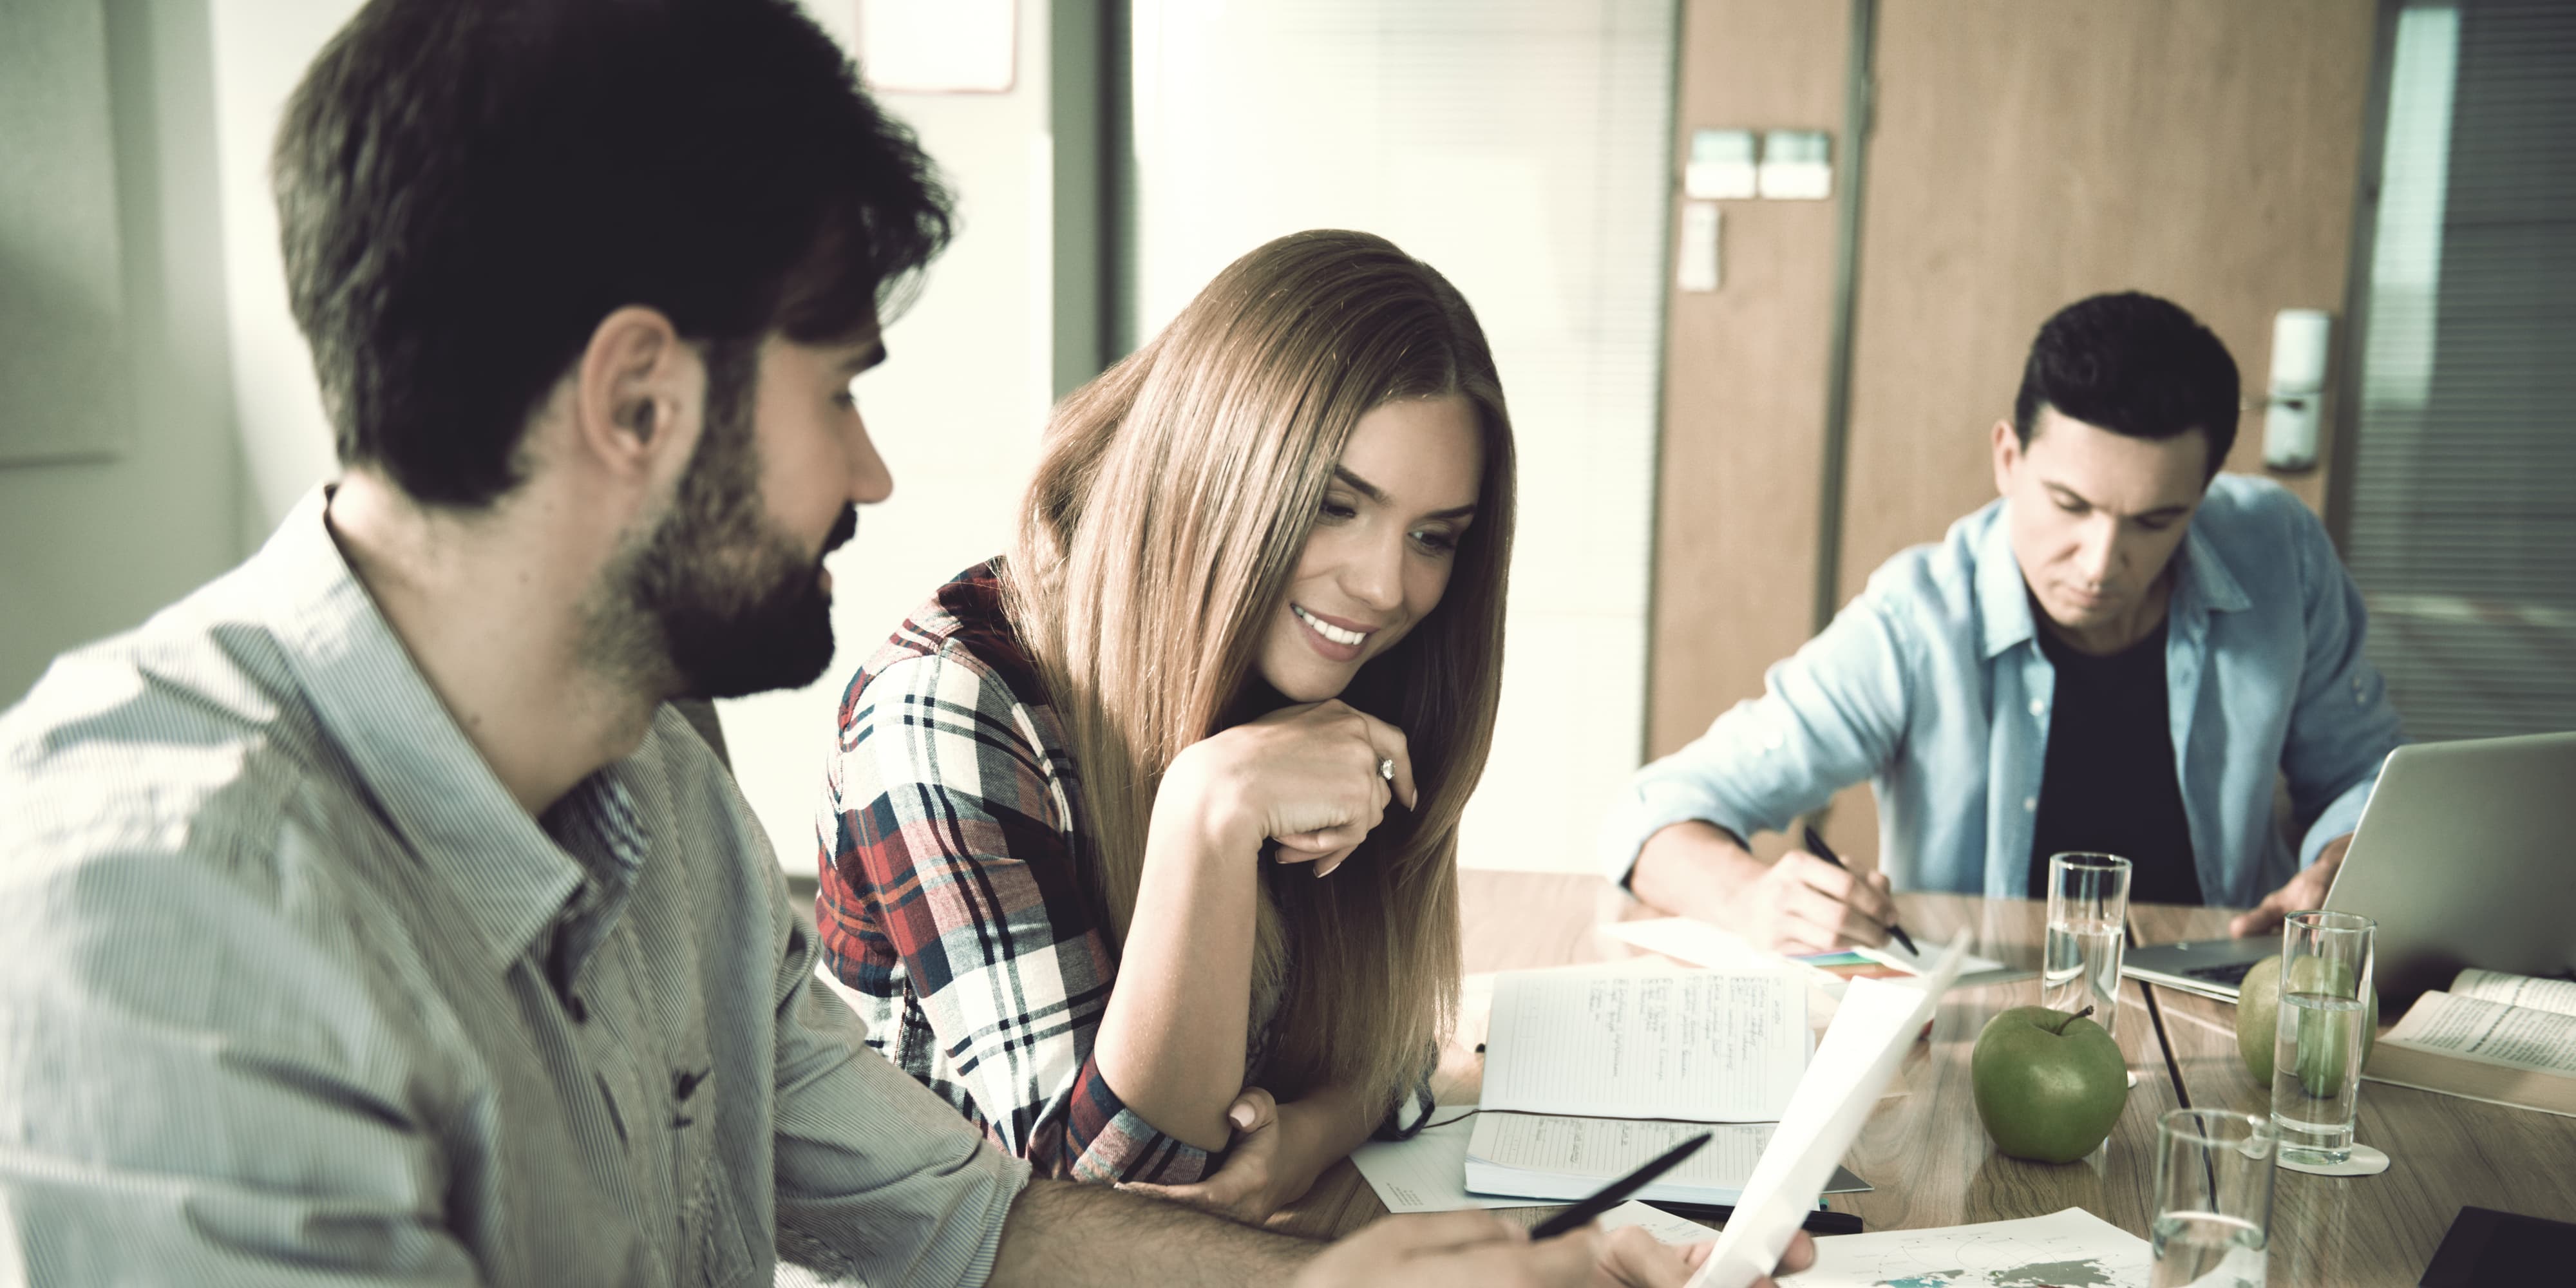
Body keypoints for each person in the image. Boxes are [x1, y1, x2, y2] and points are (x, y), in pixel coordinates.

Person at [0, 2, 1816, 1284]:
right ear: (640, 398)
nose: (872, 472)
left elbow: (966, 1219)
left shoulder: (658, 782)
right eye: (842, 390)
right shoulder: (160, 895)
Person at [817, 229, 1499, 1219]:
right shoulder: (947, 705)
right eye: (1335, 506)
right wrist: (1210, 813)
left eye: (1434, 537)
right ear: (1216, 466)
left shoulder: (1317, 672)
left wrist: (1307, 1136)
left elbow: (1391, 1035)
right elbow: (1110, 1204)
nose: (1387, 586)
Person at [1605, 292, 2406, 954]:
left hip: (2232, 1000)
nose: (2101, 562)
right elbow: (1656, 812)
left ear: (2200, 497)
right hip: (1983, 1017)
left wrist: (2345, 858)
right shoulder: (1917, 618)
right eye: (2070, 505)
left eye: (2154, 521)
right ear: (2007, 459)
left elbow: (2361, 777)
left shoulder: (2277, 549)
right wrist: (1751, 898)